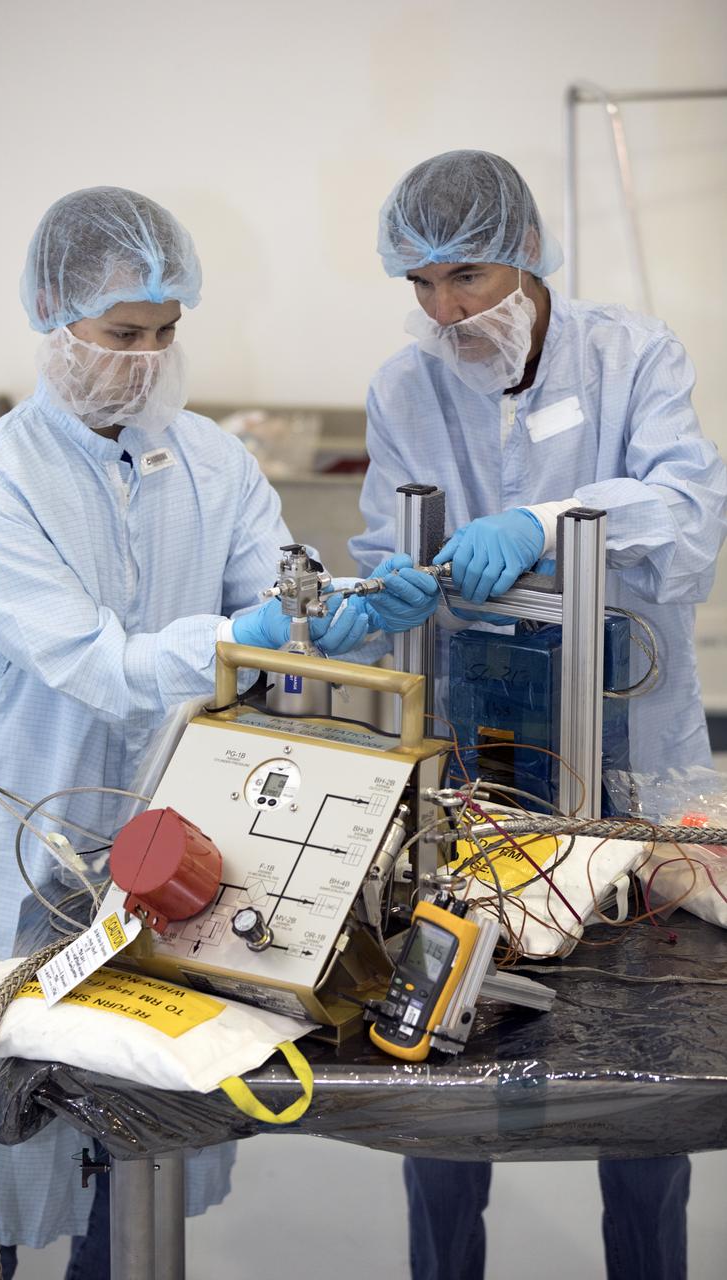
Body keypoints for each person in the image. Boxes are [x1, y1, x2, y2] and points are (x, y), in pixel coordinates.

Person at [0, 185, 399, 1279]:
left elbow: (276, 588)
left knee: (139, 1156)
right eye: (121, 334)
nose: (146, 361)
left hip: (171, 851)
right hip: (19, 839)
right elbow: (93, 663)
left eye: (166, 334)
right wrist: (241, 632)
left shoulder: (207, 459)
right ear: (48, 310)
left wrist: (344, 607)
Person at [348, 150, 727, 1280]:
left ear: (524, 253)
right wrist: (378, 593)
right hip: (480, 744)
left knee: (646, 1030)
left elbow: (688, 510)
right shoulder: (404, 385)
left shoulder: (631, 354)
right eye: (419, 285)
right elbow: (384, 546)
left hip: (631, 737)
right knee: (446, 1023)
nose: (442, 309)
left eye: (464, 276)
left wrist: (545, 520)